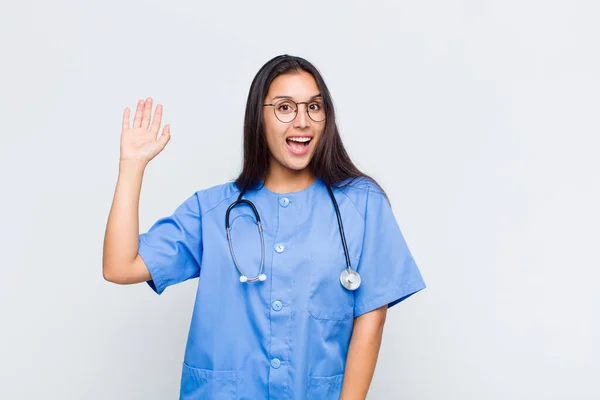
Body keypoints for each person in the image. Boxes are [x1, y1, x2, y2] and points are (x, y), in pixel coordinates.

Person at [102, 54, 426, 399]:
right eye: (285, 108)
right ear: (260, 118)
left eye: (314, 107)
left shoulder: (362, 204)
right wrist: (132, 168)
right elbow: (120, 267)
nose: (303, 121)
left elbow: (371, 319)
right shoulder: (212, 210)